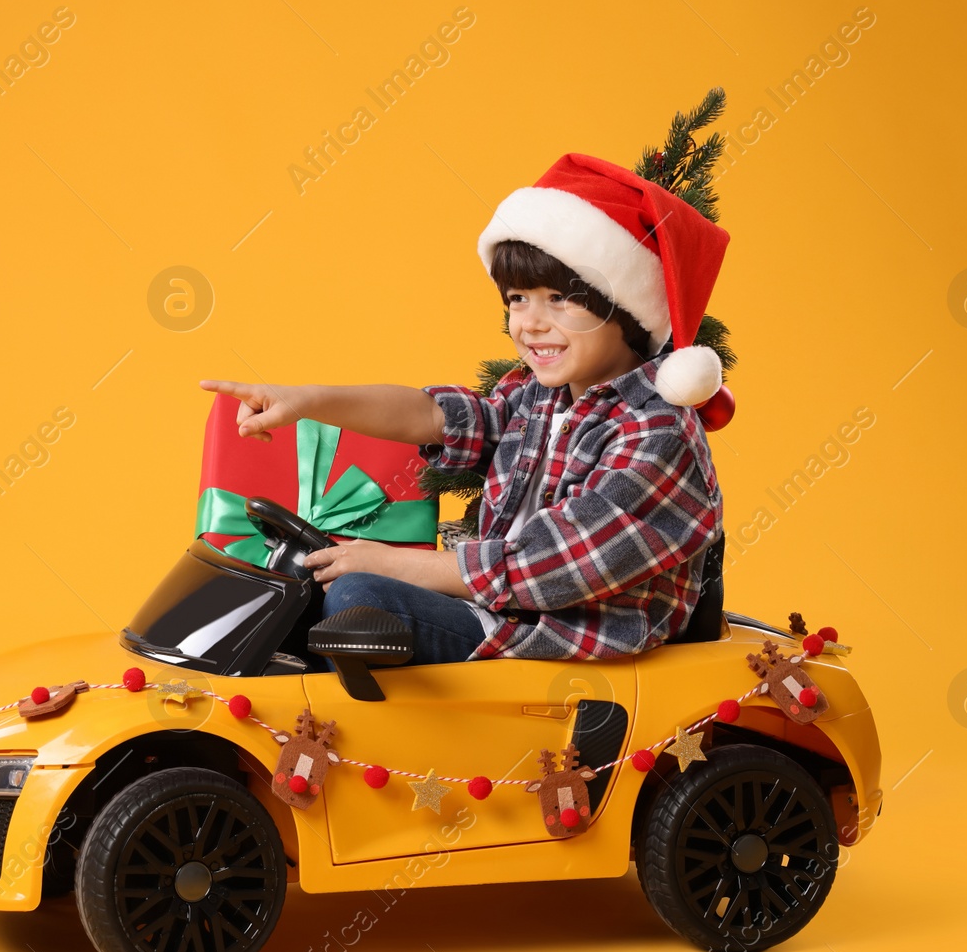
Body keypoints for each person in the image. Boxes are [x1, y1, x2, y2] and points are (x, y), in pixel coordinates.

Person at [198, 152, 728, 667]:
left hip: (565, 641)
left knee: (361, 597)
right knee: (293, 586)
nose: (530, 323)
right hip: (499, 609)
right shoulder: (540, 395)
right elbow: (436, 417)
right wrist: (309, 401)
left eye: (558, 299)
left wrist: (393, 564)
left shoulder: (657, 430)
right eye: (517, 299)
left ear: (629, 311)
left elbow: (552, 566)